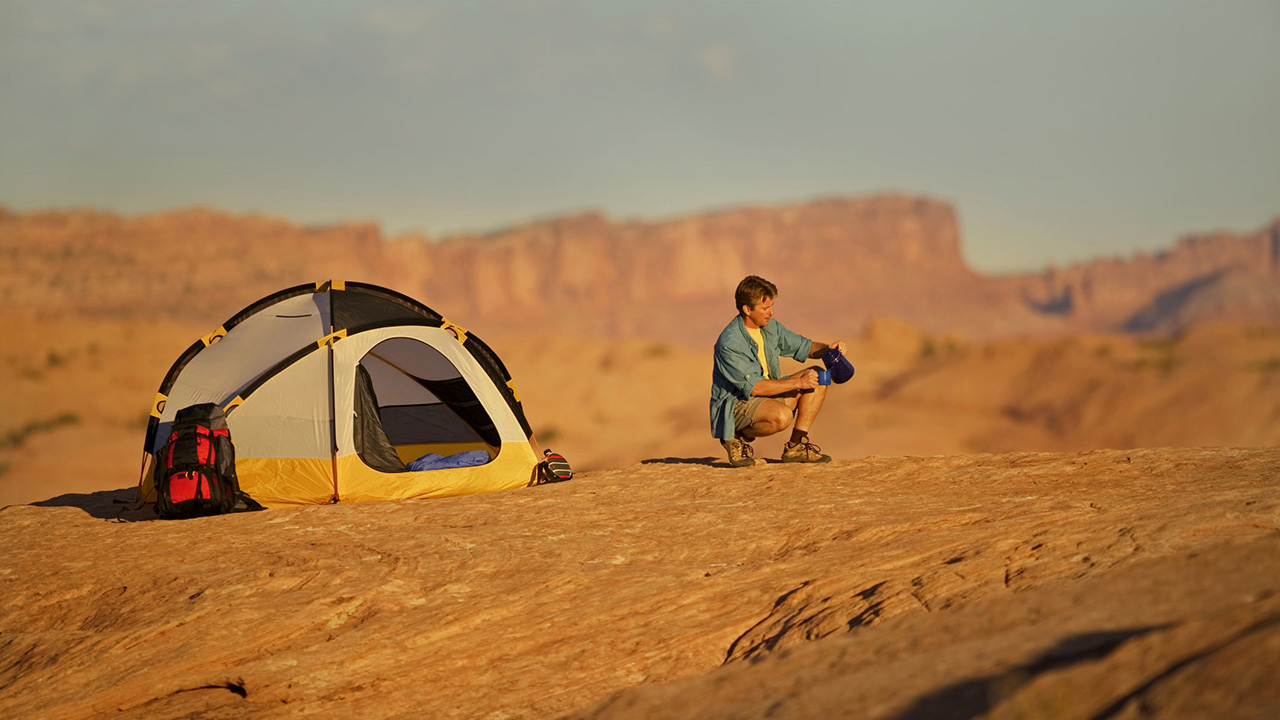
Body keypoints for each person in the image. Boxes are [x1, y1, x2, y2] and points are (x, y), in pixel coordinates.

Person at [710, 275, 847, 467]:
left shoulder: (769, 327)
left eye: (771, 306)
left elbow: (804, 347)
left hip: (764, 395)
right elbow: (755, 387)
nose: (771, 312)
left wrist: (829, 350)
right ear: (747, 309)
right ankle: (735, 435)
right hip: (737, 405)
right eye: (765, 308)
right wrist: (799, 383)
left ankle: (796, 446)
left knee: (818, 377)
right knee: (782, 417)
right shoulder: (730, 343)